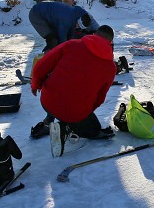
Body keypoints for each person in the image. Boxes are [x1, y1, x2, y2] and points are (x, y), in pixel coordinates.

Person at [30, 25, 118, 157]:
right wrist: (85, 112)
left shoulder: (71, 45)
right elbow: (100, 99)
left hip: (47, 102)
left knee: (60, 90)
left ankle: (49, 121)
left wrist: (35, 85)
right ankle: (63, 128)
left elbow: (40, 66)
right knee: (94, 130)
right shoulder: (110, 68)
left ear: (94, 35)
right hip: (75, 113)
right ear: (110, 43)